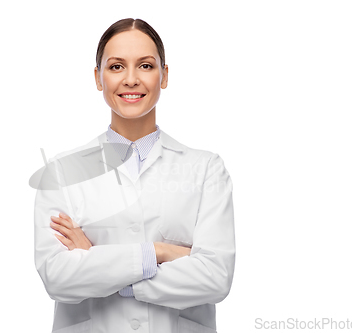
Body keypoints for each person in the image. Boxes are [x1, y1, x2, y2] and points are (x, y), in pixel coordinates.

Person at [33, 18, 235, 333]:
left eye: (145, 65)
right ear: (98, 78)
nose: (130, 79)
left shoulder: (205, 169)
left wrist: (96, 260)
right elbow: (58, 278)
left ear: (164, 75)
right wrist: (159, 252)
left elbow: (215, 278)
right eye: (115, 67)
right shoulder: (61, 172)